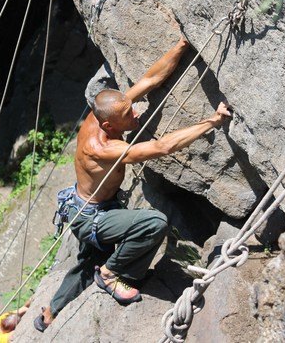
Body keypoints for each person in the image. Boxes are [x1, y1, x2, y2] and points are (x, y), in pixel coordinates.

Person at [34, 29, 232, 332]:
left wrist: (181, 44)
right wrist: (212, 121)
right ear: (110, 124)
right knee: (153, 224)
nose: (135, 112)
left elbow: (151, 80)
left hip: (86, 206)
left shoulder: (107, 111)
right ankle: (112, 274)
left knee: (87, 263)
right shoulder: (103, 148)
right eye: (128, 114)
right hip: (92, 217)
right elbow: (162, 147)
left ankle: (49, 313)